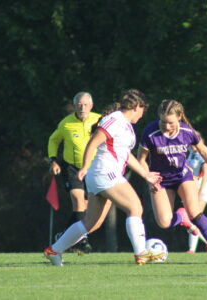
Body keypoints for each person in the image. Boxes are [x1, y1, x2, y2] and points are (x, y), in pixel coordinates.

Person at [44, 89, 163, 266]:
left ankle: (54, 251)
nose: (142, 114)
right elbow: (93, 142)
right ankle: (141, 254)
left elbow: (126, 155)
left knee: (91, 223)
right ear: (137, 106)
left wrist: (146, 174)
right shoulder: (115, 119)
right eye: (143, 110)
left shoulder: (125, 124)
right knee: (135, 208)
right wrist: (84, 166)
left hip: (101, 175)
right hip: (105, 172)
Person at [137, 99, 207, 262]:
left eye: (171, 123)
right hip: (160, 180)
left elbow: (205, 152)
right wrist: (149, 178)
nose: (167, 126)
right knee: (164, 222)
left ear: (180, 117)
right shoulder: (150, 132)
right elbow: (141, 160)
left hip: (182, 176)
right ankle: (181, 217)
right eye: (163, 122)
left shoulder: (187, 132)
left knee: (195, 213)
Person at [47, 92, 100, 253]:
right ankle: (82, 241)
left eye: (85, 104)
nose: (82, 107)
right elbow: (53, 140)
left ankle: (64, 236)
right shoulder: (66, 124)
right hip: (73, 168)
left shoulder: (100, 120)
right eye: (79, 104)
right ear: (74, 106)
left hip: (94, 168)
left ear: (91, 106)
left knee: (87, 206)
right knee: (78, 201)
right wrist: (53, 160)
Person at [183, 132, 207, 253]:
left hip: (201, 186)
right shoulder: (191, 153)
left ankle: (192, 249)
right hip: (191, 186)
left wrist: (200, 191)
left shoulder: (202, 153)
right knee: (190, 219)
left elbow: (206, 173)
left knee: (195, 218)